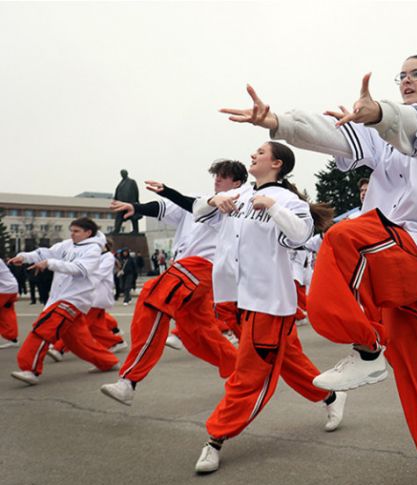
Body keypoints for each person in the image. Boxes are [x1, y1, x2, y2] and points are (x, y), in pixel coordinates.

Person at [220, 55, 417, 485]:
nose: (407, 80)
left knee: (342, 237)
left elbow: (406, 120)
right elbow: (336, 133)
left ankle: (366, 348)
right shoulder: (388, 139)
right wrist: (277, 122)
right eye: (402, 76)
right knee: (414, 368)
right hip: (402, 257)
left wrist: (378, 111)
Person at [193, 142, 346, 475]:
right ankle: (331, 396)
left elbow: (301, 235)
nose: (253, 155)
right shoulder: (239, 195)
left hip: (267, 301)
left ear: (277, 163)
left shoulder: (289, 200)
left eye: (260, 152)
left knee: (251, 373)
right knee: (288, 359)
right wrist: (213, 200)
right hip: (233, 297)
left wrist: (274, 207)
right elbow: (197, 210)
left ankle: (216, 438)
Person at [99, 161, 245, 406]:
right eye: (216, 175)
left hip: (201, 266)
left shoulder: (236, 204)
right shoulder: (200, 200)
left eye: (224, 176)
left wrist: (168, 191)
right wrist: (136, 207)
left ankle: (129, 380)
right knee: (198, 333)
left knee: (152, 297)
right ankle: (243, 372)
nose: (217, 179)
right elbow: (168, 208)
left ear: (237, 182)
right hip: (186, 269)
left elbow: (200, 205)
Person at [8, 218, 119, 384]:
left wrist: (50, 264)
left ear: (88, 232)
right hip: (61, 298)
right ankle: (108, 362)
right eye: (71, 230)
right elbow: (45, 253)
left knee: (43, 329)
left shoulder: (94, 250)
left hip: (73, 299)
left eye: (76, 231)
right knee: (79, 342)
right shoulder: (67, 245)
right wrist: (24, 257)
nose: (72, 234)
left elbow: (80, 269)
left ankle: (30, 369)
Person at [112, 169, 140, 234]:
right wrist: (115, 200)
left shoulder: (132, 181)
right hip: (121, 204)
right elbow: (117, 192)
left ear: (126, 174)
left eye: (123, 173)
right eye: (121, 174)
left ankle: (135, 230)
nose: (122, 175)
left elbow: (136, 191)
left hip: (130, 202)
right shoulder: (120, 183)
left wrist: (136, 201)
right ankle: (116, 230)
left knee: (133, 217)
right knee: (119, 216)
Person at [0, 261, 19, 349]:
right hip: (11, 288)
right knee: (6, 314)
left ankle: (12, 338)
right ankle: (13, 339)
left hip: (4, 290)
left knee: (6, 314)